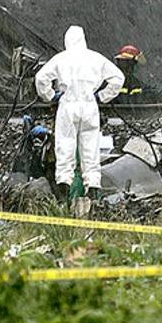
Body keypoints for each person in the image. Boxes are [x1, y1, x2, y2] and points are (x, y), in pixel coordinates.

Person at [34, 25, 125, 202]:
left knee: (65, 147)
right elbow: (118, 78)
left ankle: (64, 191)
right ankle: (92, 190)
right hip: (90, 106)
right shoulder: (96, 58)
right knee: (91, 150)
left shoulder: (61, 58)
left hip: (68, 104)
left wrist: (50, 95)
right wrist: (102, 96)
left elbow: (41, 78)